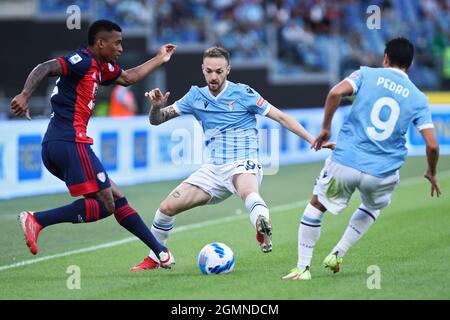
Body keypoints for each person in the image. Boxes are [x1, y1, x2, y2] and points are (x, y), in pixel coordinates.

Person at [130, 46, 334, 270]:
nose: (213, 76)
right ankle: (155, 256)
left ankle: (262, 225)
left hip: (243, 162)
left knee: (248, 191)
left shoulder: (243, 94)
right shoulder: (195, 96)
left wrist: (313, 139)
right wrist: (156, 108)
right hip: (213, 169)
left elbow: (281, 117)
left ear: (228, 70)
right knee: (166, 207)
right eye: (209, 71)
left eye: (219, 71)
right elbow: (157, 120)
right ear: (202, 69)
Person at [10, 20, 177, 269]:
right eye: (117, 43)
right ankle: (37, 219)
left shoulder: (101, 67)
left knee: (116, 197)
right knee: (106, 205)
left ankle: (160, 252)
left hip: (59, 144)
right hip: (70, 142)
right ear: (100, 43)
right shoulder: (83, 61)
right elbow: (45, 67)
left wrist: (159, 58)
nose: (121, 48)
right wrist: (25, 94)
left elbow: (129, 77)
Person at [282, 37, 441, 281]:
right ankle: (338, 252)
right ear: (409, 65)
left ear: (385, 58)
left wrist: (325, 128)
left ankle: (302, 268)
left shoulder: (367, 74)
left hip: (346, 160)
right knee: (372, 206)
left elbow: (335, 93)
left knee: (317, 205)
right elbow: (431, 144)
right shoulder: (418, 98)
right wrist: (431, 171)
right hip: (382, 172)